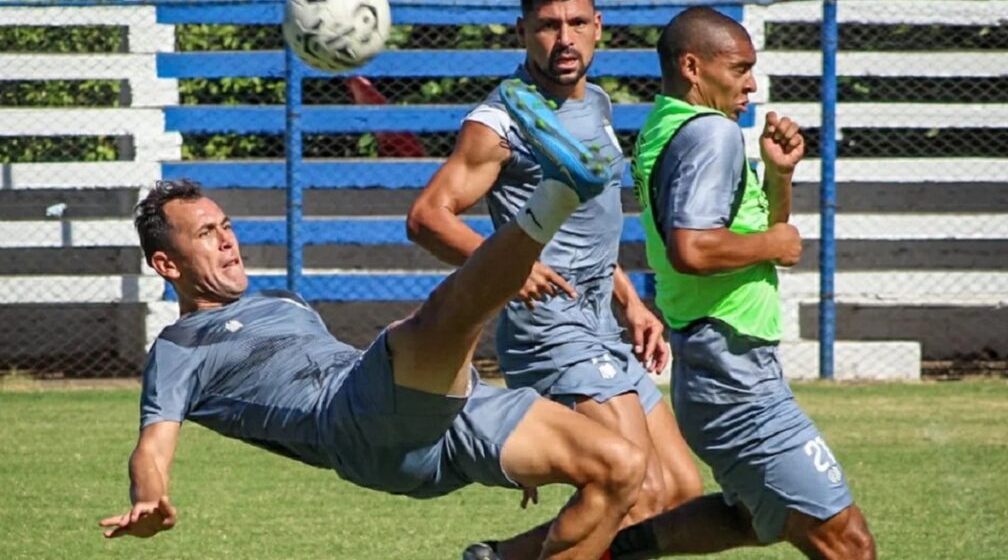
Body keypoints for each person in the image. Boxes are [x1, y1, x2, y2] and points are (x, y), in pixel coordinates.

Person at [97, 80, 650, 560]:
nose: (227, 241)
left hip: (442, 408)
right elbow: (151, 447)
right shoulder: (179, 349)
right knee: (438, 321)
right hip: (355, 421)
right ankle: (558, 192)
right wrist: (149, 497)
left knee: (618, 468)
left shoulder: (282, 301)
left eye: (226, 226)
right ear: (167, 264)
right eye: (205, 235)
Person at [406, 0, 703, 559]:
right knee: (635, 490)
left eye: (575, 23)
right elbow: (427, 216)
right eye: (546, 26)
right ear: (522, 32)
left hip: (599, 327)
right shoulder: (501, 120)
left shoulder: (596, 102)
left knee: (678, 493)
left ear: (600, 28)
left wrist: (630, 303)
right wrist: (506, 266)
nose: (563, 38)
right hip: (551, 332)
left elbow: (587, 224)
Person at [605, 7, 877, 558]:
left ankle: (611, 549)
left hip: (715, 367)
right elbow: (693, 248)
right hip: (733, 376)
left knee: (753, 519)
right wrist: (777, 244)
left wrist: (778, 177)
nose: (752, 83)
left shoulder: (667, 124)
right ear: (693, 67)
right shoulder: (712, 134)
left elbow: (740, 237)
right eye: (739, 68)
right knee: (849, 543)